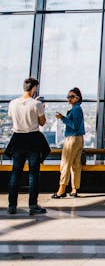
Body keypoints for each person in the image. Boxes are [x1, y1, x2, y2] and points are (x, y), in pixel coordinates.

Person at [6, 77, 50, 215]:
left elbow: (11, 117)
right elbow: (42, 123)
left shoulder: (12, 103)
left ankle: (12, 205)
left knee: (15, 173)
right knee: (33, 174)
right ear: (34, 88)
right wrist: (41, 107)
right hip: (32, 140)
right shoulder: (36, 104)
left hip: (17, 139)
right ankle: (33, 205)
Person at [52, 87, 85, 199]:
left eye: (71, 97)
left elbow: (74, 125)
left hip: (72, 139)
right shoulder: (78, 109)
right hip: (79, 139)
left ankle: (61, 190)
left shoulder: (76, 110)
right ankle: (74, 189)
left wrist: (63, 118)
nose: (69, 99)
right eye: (68, 96)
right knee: (76, 165)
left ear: (78, 98)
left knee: (65, 164)